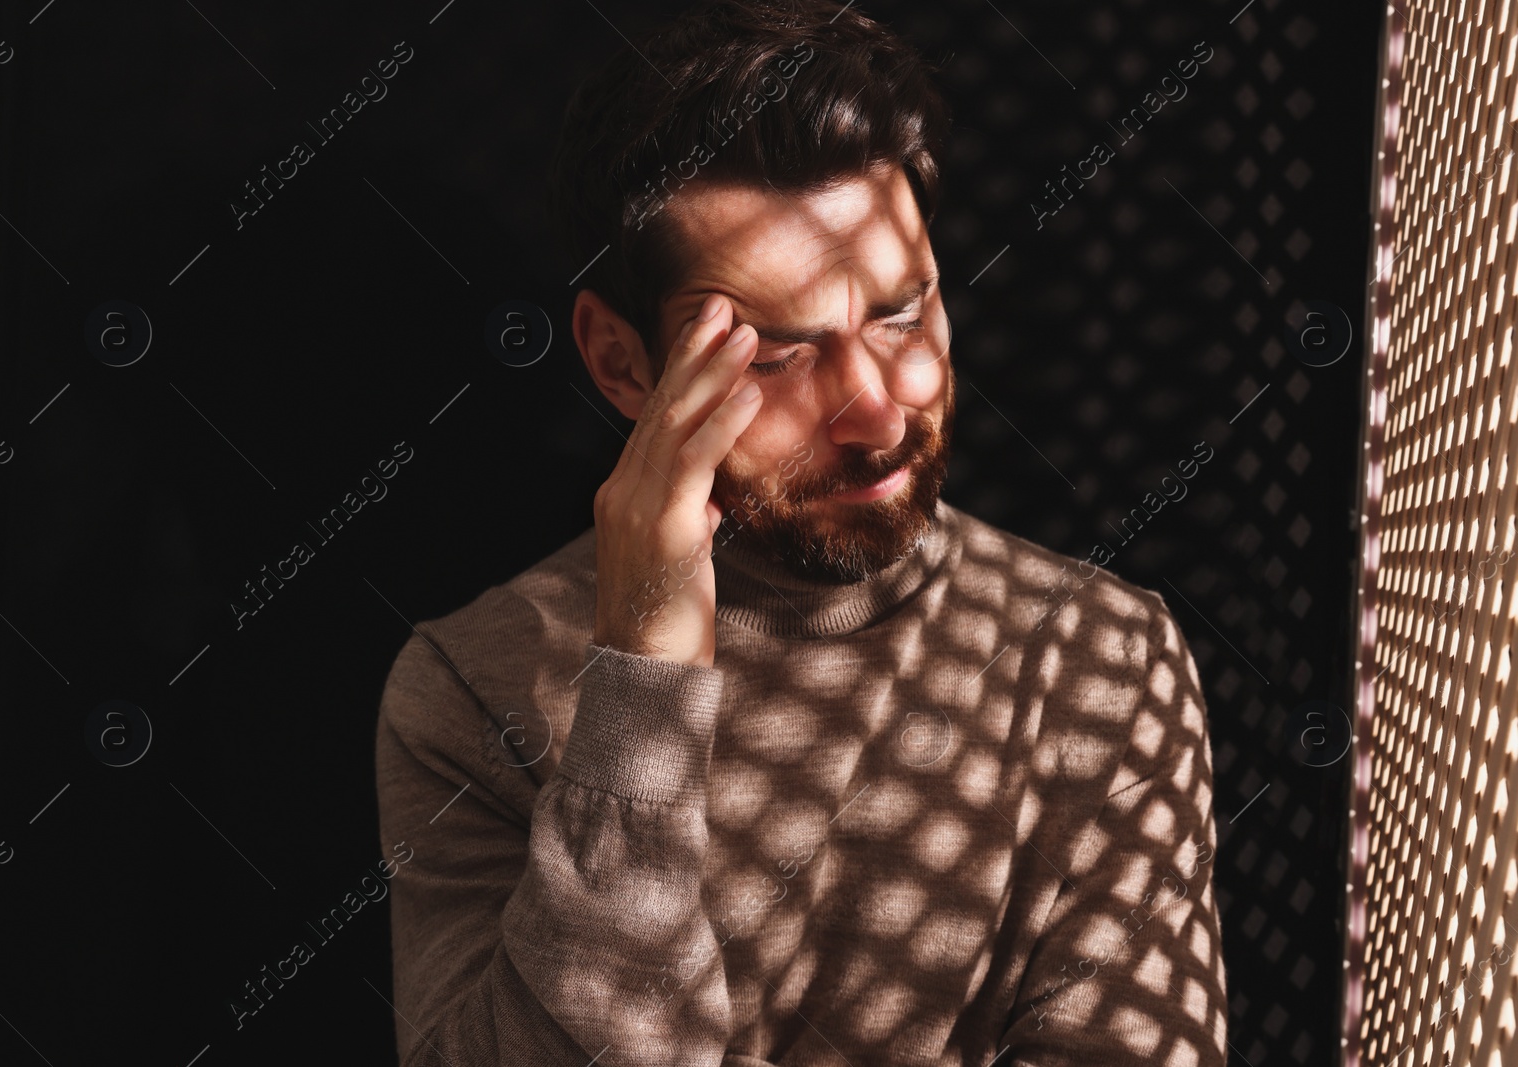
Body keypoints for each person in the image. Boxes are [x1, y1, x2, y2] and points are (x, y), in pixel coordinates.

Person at [374, 1, 1229, 1063]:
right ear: (621, 363)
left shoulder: (1096, 661)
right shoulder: (467, 691)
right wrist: (642, 682)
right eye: (775, 354)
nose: (875, 409)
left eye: (901, 313)